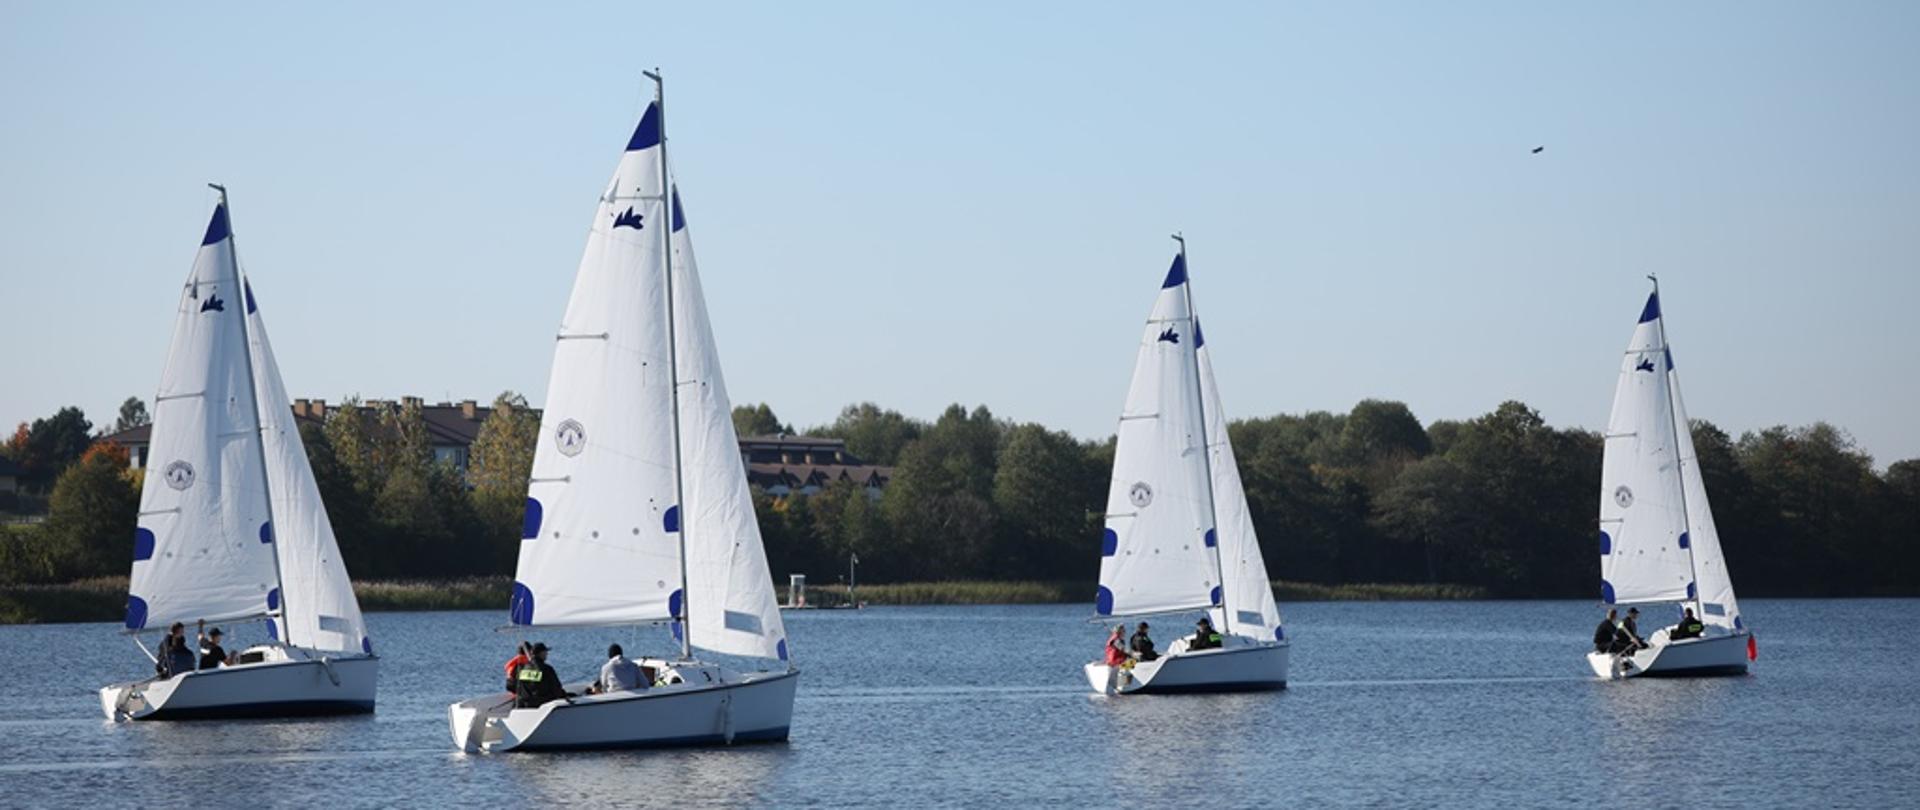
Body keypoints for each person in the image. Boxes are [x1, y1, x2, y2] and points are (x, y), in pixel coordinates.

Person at [513, 643, 570, 709]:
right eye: (545, 652)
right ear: (541, 653)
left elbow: (519, 688)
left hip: (526, 704)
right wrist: (565, 696)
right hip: (544, 704)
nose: (547, 654)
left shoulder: (523, 669)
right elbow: (556, 688)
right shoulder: (546, 669)